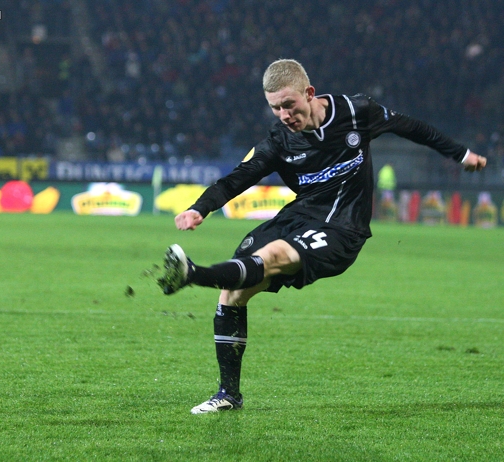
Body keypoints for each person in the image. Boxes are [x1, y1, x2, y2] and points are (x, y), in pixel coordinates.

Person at [156, 59, 487, 415]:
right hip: (300, 216)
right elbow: (237, 178)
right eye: (275, 107)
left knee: (274, 256)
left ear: (309, 94)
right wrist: (199, 209)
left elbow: (411, 127)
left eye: (289, 104)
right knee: (233, 292)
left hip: (343, 227)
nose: (283, 114)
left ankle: (191, 274)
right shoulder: (279, 140)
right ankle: (228, 395)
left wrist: (460, 153)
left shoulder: (357, 111)